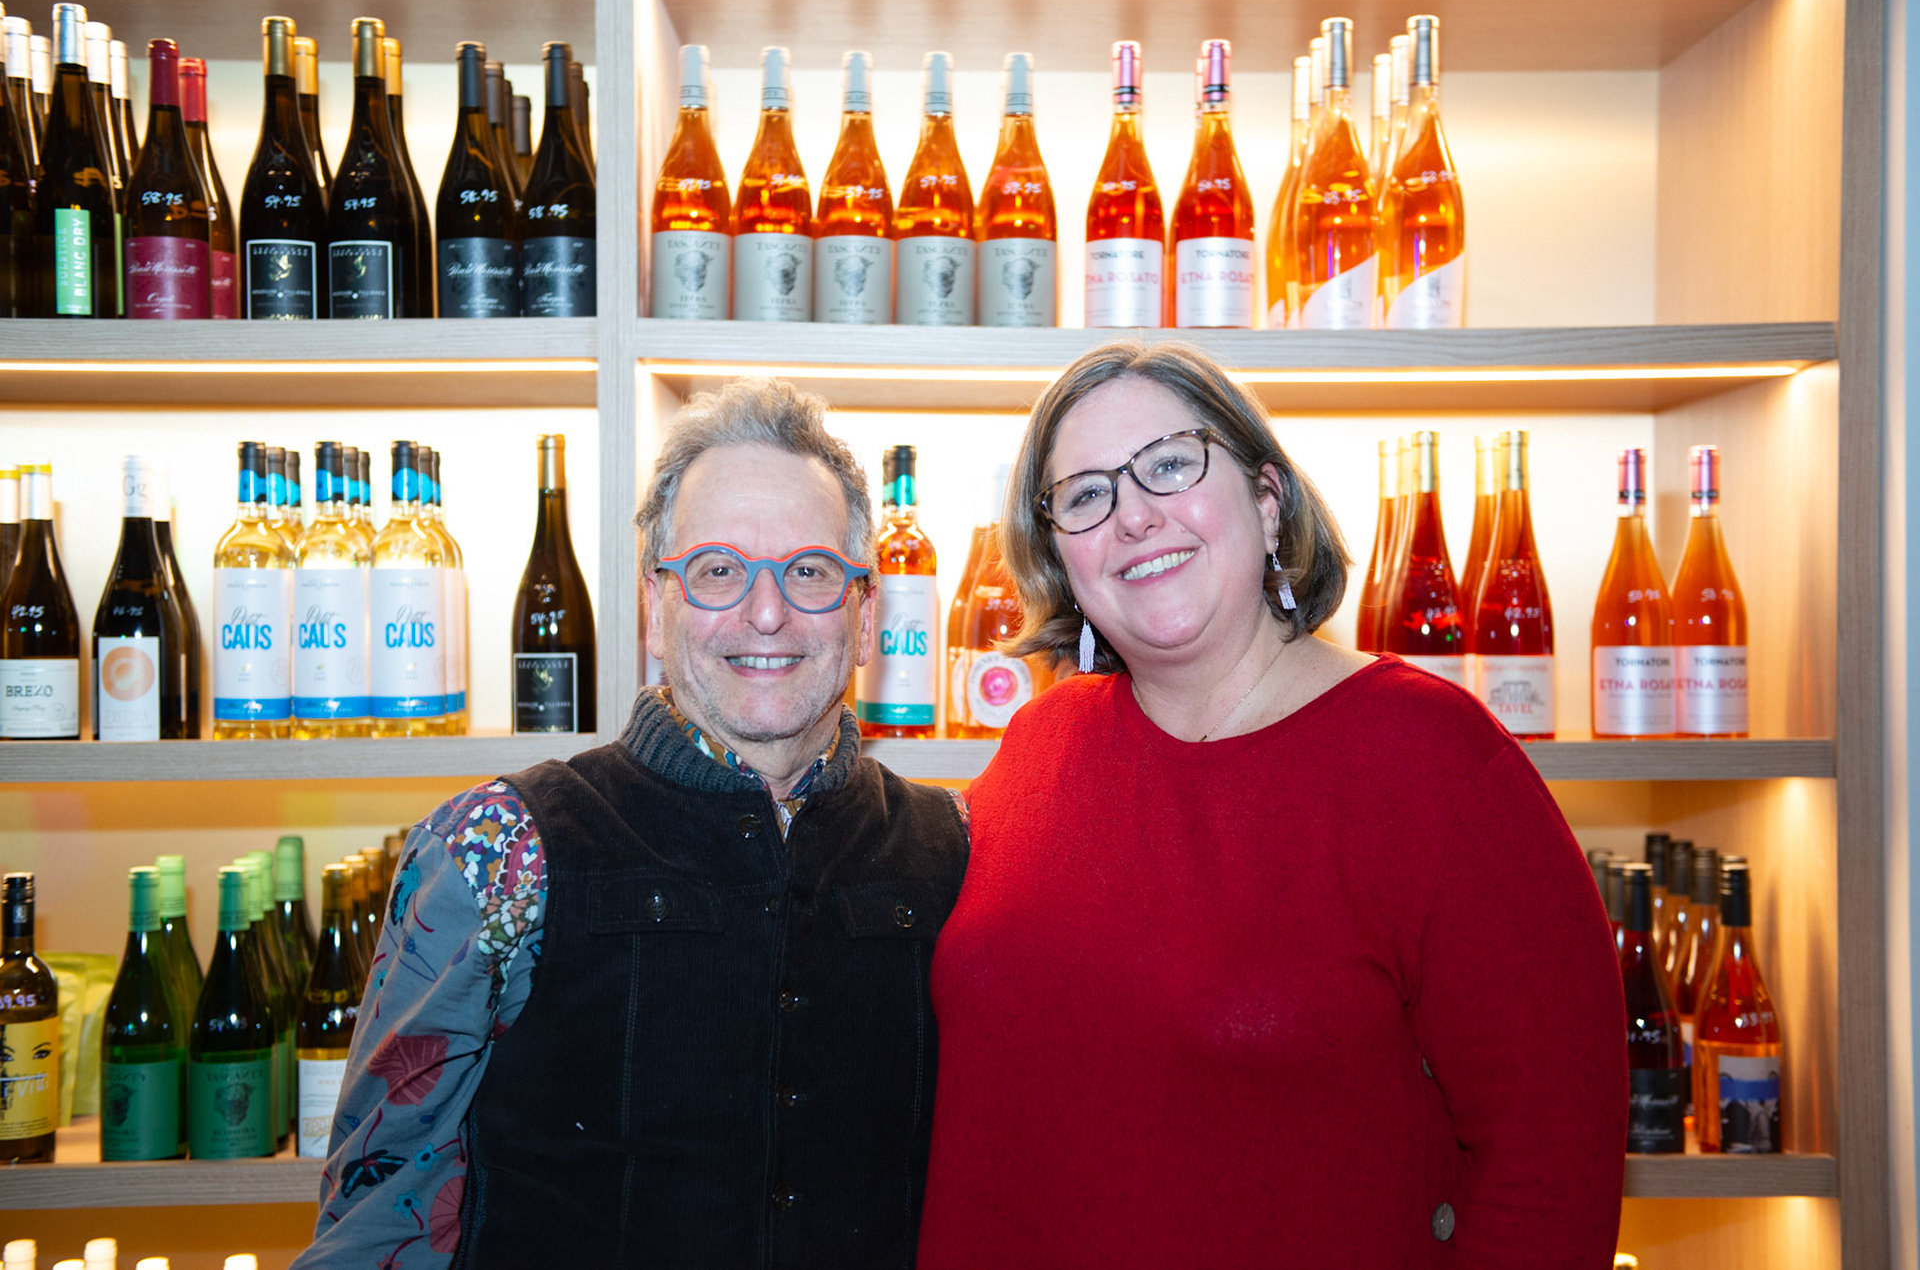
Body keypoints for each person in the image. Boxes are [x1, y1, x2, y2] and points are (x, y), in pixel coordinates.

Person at [915, 341, 1625, 1268]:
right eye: (1085, 495)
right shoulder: (1038, 747)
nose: (1134, 515)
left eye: (1171, 463)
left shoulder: (1432, 760)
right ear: (1058, 555)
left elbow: (1552, 1167)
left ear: (1266, 495)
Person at [294, 379, 969, 1269]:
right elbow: (378, 1229)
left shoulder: (958, 850)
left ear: (867, 614)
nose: (767, 612)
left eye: (809, 571)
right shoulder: (498, 846)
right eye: (718, 569)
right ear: (655, 607)